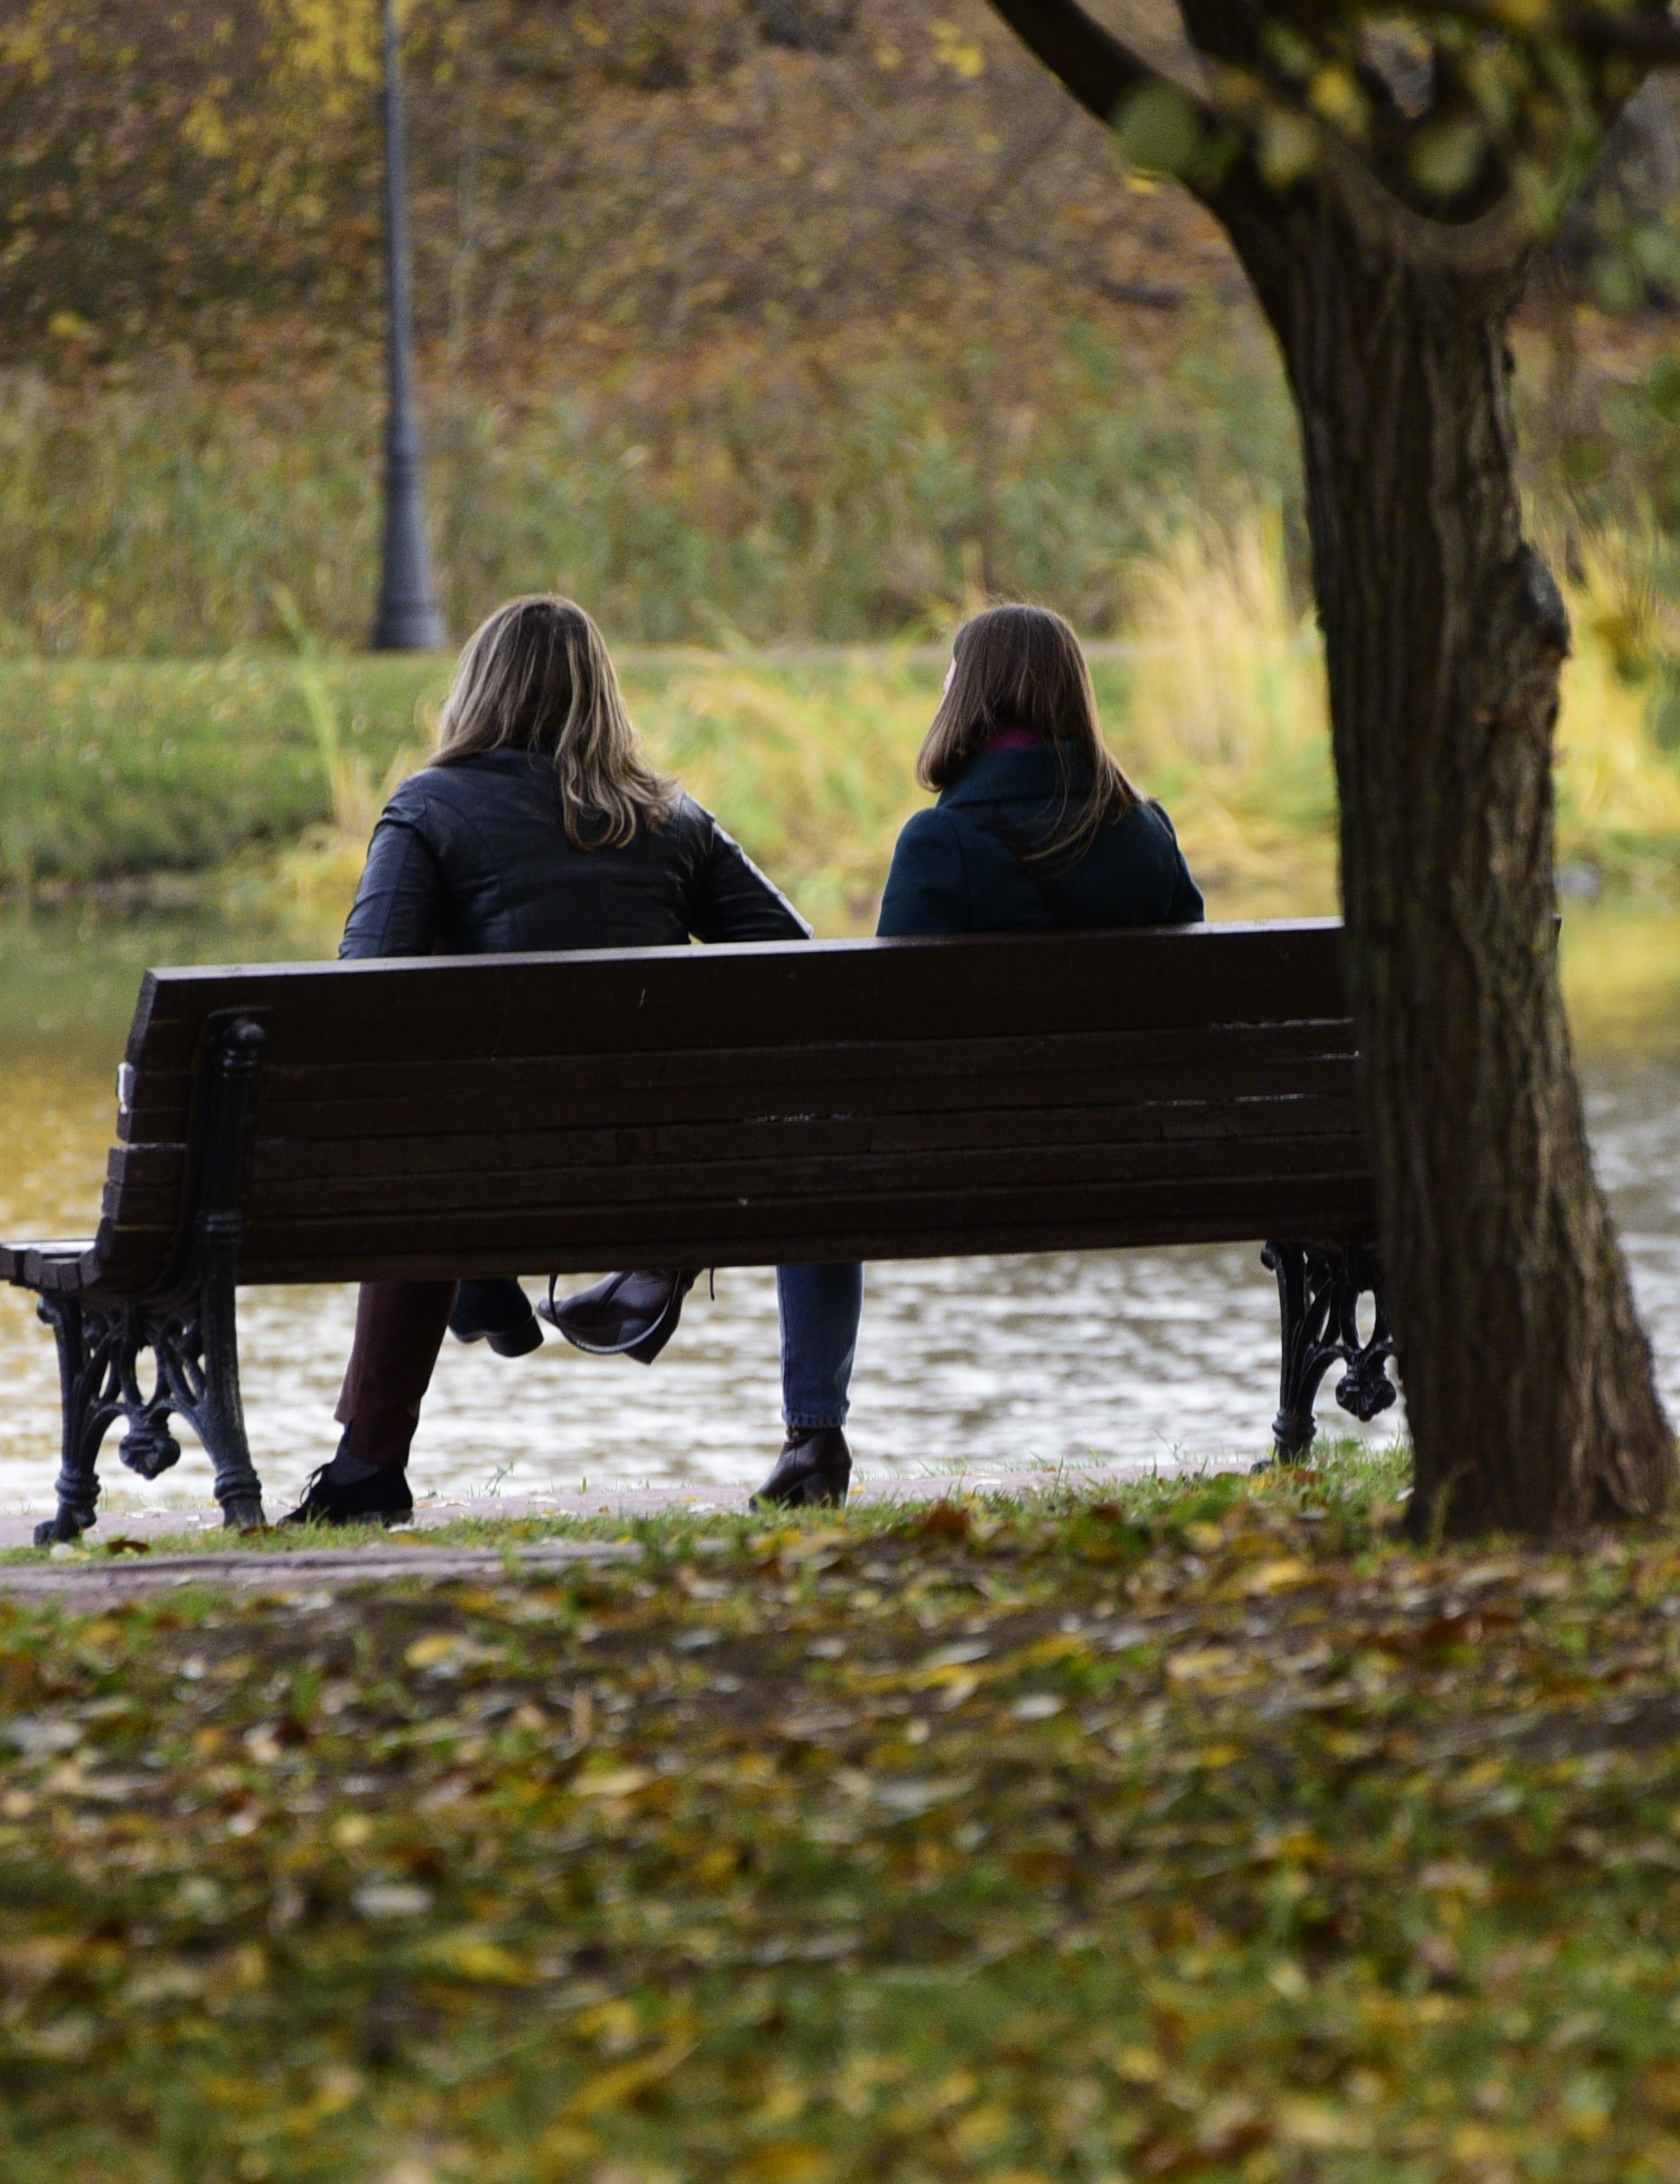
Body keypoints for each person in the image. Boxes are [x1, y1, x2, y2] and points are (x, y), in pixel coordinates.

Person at [287, 594, 857, 1525]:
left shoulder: (429, 806)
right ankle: (506, 1281)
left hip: (482, 1170)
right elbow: (798, 968)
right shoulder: (675, 821)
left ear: (476, 690)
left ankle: (369, 1461)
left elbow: (361, 994)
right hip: (656, 1175)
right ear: (605, 696)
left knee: (419, 1161)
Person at [757, 604, 1207, 1499]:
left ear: (966, 700)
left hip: (961, 1163)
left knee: (811, 1153)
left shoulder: (940, 841)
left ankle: (815, 1437)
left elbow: (884, 1034)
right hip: (1148, 1156)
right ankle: (1292, 1419)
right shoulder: (1145, 831)